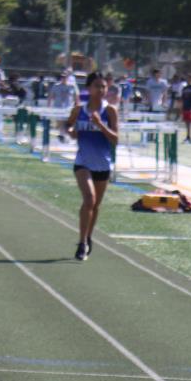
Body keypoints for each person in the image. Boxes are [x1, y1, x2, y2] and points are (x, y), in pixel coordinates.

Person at [66, 71, 119, 260]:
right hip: (83, 162)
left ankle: (88, 237)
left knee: (95, 205)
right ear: (88, 88)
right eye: (97, 86)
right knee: (89, 199)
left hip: (102, 164)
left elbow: (115, 139)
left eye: (103, 86)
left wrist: (100, 125)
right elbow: (68, 126)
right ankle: (81, 243)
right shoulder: (78, 110)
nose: (101, 90)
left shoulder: (110, 111)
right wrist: (71, 131)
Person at [180, 77, 191, 142]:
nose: (188, 80)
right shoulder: (184, 88)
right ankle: (187, 137)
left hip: (190, 107)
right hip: (185, 106)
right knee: (186, 122)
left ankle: (189, 137)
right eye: (187, 79)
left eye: (190, 79)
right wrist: (181, 106)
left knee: (189, 122)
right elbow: (182, 98)